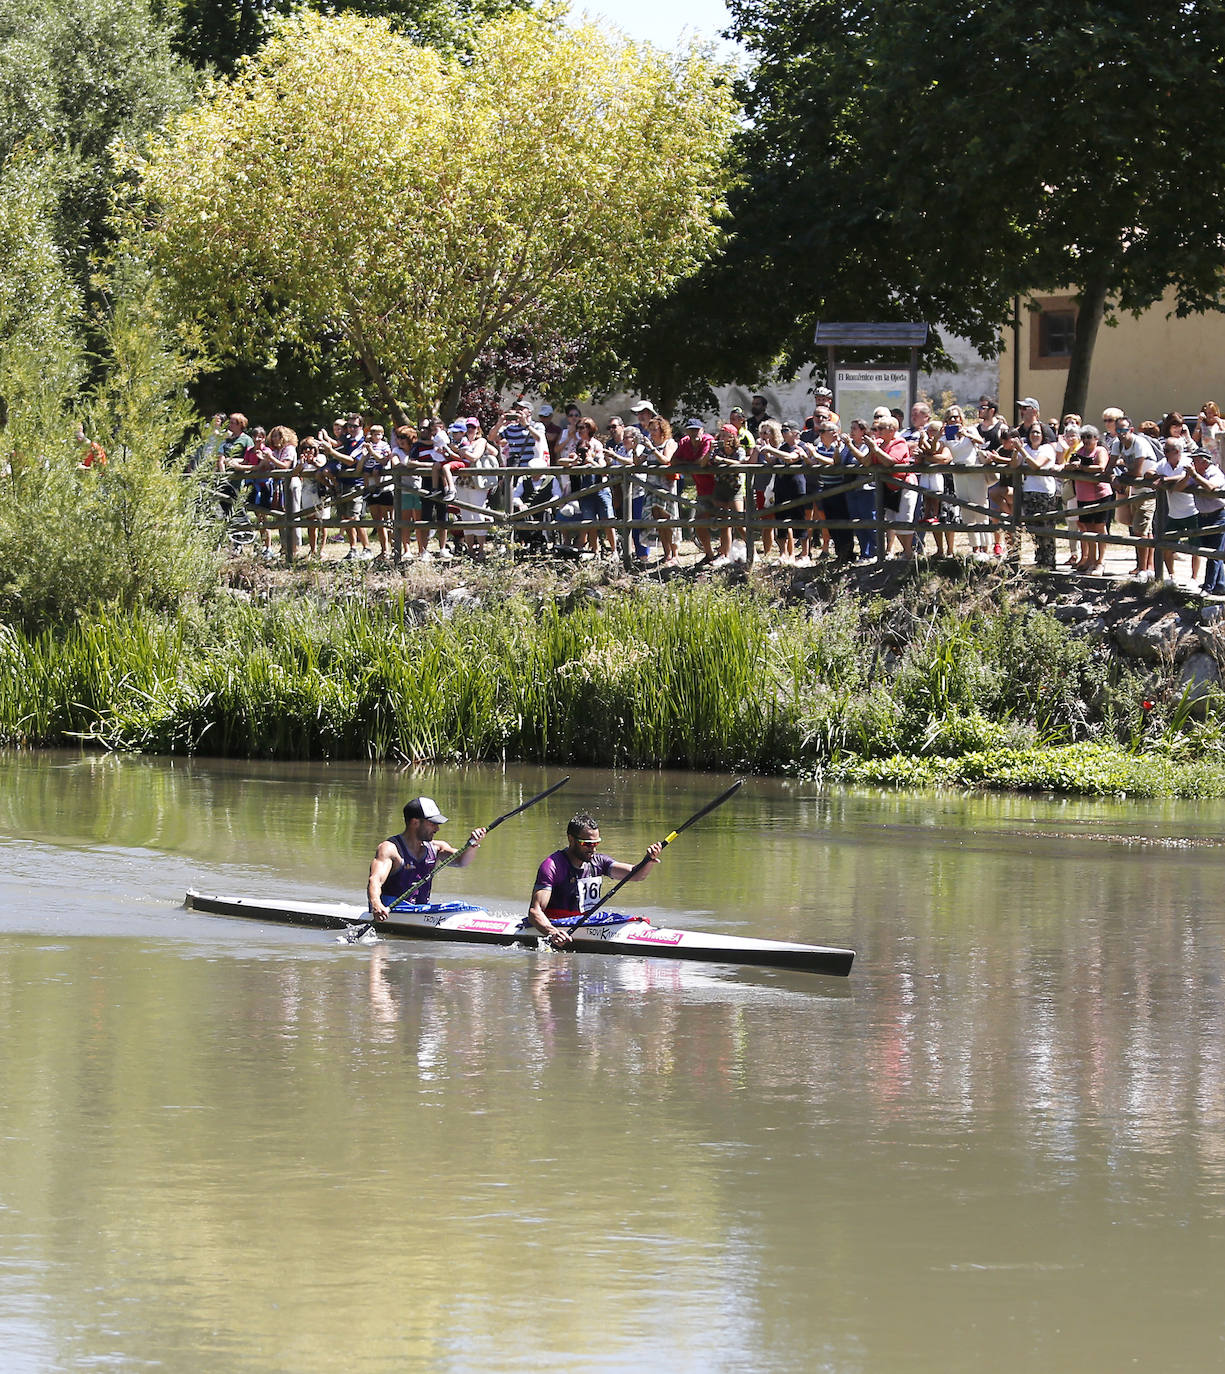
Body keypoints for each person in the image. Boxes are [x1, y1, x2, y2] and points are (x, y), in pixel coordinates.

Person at [527, 812, 662, 947]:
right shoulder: (552, 866)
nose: (593, 848)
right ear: (571, 839)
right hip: (556, 923)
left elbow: (636, 875)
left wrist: (648, 860)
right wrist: (553, 932)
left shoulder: (598, 861)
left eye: (596, 843)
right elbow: (534, 911)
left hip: (585, 922)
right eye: (587, 844)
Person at [367, 797, 487, 920]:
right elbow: (375, 880)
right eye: (433, 823)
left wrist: (472, 844)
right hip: (389, 912)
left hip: (420, 912)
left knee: (461, 906)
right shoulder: (390, 849)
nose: (437, 828)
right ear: (415, 822)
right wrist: (376, 904)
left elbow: (461, 860)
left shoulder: (436, 848)